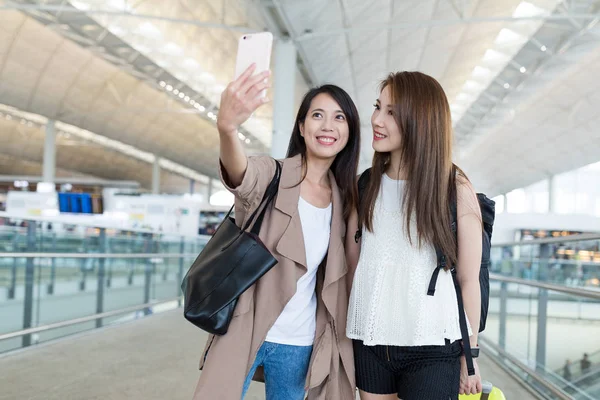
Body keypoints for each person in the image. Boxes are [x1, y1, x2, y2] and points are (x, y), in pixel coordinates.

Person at [192, 64, 360, 400]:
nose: (328, 126)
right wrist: (227, 129)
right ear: (301, 126)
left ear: (350, 131)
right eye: (317, 116)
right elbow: (242, 175)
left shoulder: (346, 200)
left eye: (339, 117)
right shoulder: (273, 174)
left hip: (300, 342)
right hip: (244, 329)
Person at [345, 71, 484, 400]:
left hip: (433, 346)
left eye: (391, 112)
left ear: (420, 120)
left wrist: (470, 354)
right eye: (378, 107)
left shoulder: (454, 189)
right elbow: (353, 268)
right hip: (371, 341)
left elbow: (468, 279)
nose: (377, 119)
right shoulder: (365, 185)